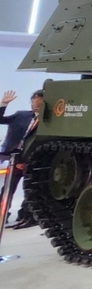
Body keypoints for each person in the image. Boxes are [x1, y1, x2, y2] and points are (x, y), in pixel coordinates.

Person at [0, 88, 43, 229]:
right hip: (15, 157)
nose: (35, 104)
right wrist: (3, 105)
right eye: (33, 101)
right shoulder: (21, 115)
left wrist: (27, 162)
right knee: (8, 189)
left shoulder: (47, 121)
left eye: (39, 101)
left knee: (30, 189)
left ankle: (26, 216)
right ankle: (2, 215)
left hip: (33, 159)